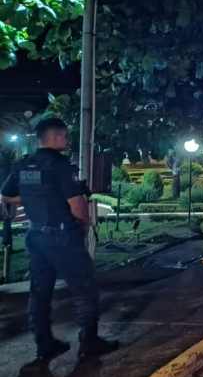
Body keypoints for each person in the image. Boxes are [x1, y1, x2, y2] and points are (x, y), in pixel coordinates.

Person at [0, 118, 118, 360]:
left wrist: (29, 200)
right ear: (54, 138)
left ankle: (44, 343)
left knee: (40, 291)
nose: (66, 140)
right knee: (84, 287)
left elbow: (6, 195)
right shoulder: (61, 166)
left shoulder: (22, 165)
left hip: (35, 236)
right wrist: (84, 227)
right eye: (64, 136)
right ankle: (89, 340)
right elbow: (78, 206)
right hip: (62, 235)